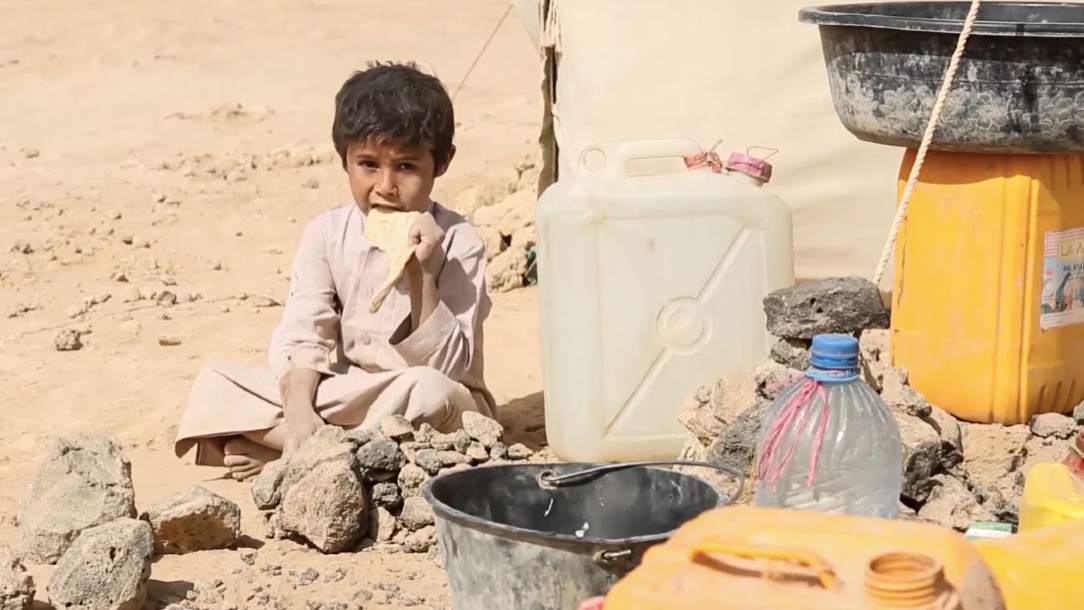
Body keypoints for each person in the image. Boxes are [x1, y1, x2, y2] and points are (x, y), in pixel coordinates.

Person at [174, 62, 496, 481]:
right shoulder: (327, 234)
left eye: (406, 167)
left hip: (428, 399)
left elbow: (447, 369)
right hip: (351, 394)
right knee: (217, 380)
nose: (385, 186)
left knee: (429, 392)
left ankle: (291, 451)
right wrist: (300, 412)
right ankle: (314, 443)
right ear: (343, 160)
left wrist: (423, 275)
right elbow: (304, 334)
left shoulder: (459, 241)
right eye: (367, 164)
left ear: (442, 163)